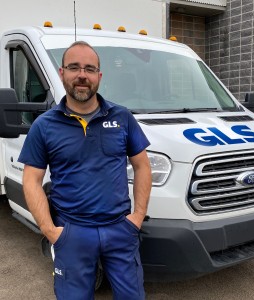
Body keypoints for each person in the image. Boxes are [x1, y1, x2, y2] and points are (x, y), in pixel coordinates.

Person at [18, 41, 152, 300]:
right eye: (74, 67)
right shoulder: (44, 126)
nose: (82, 75)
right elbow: (31, 180)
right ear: (62, 73)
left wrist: (137, 216)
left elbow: (142, 165)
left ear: (99, 76)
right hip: (72, 233)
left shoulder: (122, 117)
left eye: (90, 69)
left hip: (120, 230)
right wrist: (50, 231)